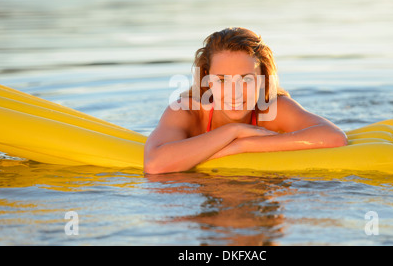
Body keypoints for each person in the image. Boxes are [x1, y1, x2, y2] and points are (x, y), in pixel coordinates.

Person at [144, 27, 347, 174]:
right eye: (222, 80)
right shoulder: (187, 111)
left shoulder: (272, 108)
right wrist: (234, 131)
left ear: (262, 79)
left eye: (246, 79)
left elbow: (334, 138)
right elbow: (154, 164)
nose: (235, 93)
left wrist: (242, 145)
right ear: (207, 77)